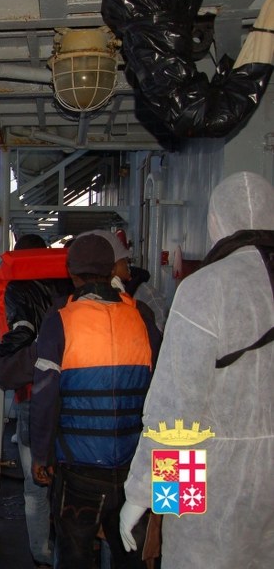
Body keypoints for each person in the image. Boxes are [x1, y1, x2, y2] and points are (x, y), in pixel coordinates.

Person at [119, 171, 274, 567]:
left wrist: (144, 494)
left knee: (194, 553)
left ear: (216, 222)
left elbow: (178, 410)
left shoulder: (207, 287)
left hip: (202, 473)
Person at [30, 230, 162, 569]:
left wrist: (41, 455)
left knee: (74, 556)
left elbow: (45, 396)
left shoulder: (60, 320)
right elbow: (164, 386)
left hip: (79, 468)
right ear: (112, 271)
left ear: (72, 273)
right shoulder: (143, 316)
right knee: (131, 555)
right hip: (136, 464)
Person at [0, 233, 73, 568]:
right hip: (72, 394)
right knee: (66, 475)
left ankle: (43, 553)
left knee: (35, 482)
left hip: (35, 393)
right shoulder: (67, 286)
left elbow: (23, 335)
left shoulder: (19, 288)